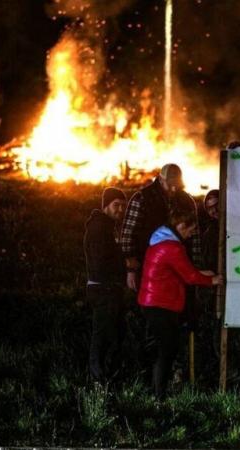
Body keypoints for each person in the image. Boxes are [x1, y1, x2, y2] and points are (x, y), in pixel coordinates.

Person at [137, 209, 222, 399]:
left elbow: (183, 271)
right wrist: (213, 280)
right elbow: (190, 276)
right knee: (166, 350)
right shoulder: (173, 247)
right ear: (181, 226)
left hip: (151, 302)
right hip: (161, 304)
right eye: (190, 230)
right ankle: (159, 396)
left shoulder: (159, 239)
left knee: (160, 349)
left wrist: (205, 274)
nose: (191, 235)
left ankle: (155, 391)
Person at [120, 163, 201, 292]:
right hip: (149, 269)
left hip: (180, 272)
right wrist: (131, 269)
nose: (174, 189)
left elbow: (195, 238)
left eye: (177, 185)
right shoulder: (142, 198)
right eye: (170, 185)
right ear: (161, 179)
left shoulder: (187, 201)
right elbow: (128, 236)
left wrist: (196, 269)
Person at [83, 187, 127, 383]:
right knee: (102, 336)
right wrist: (125, 264)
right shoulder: (100, 228)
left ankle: (106, 377)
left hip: (107, 288)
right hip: (103, 289)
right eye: (116, 205)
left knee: (111, 335)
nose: (120, 210)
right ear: (106, 205)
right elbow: (101, 262)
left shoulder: (107, 226)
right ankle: (98, 379)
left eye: (123, 206)